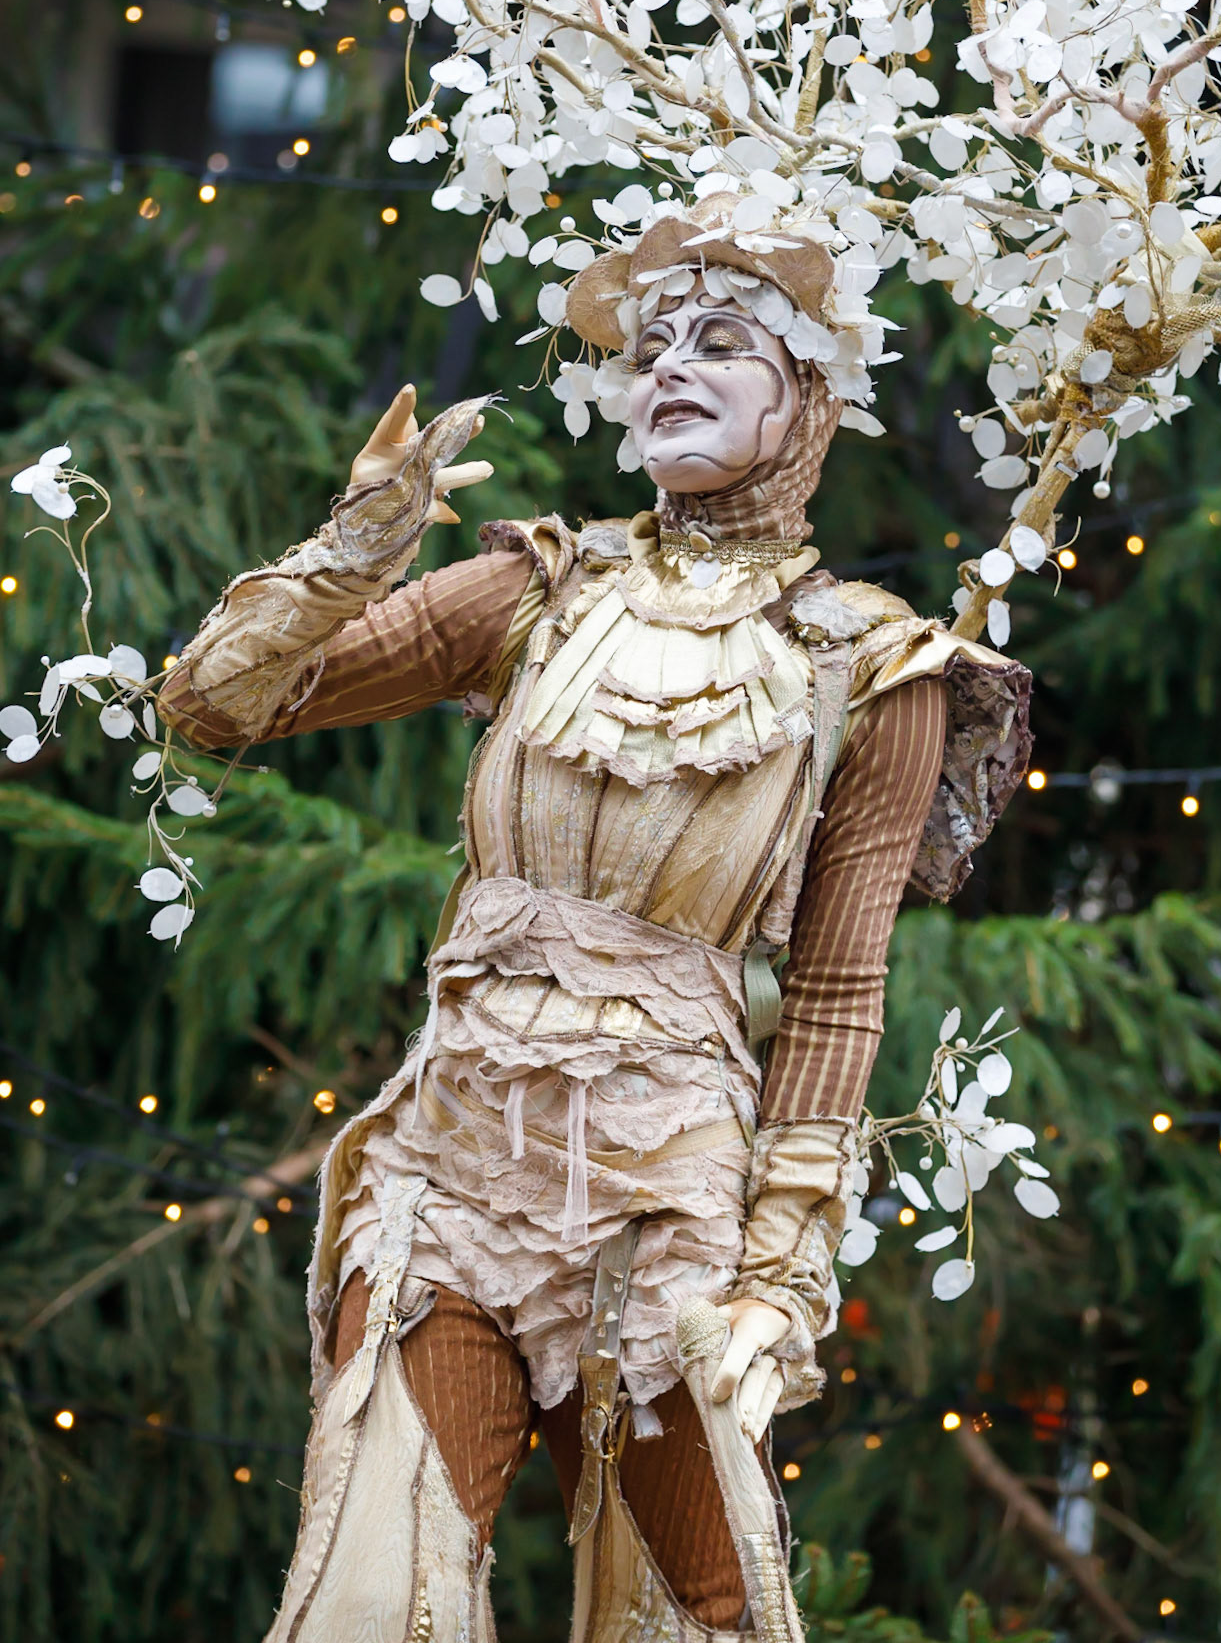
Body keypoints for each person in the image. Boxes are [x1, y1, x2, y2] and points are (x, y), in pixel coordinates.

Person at [160, 196, 1031, 1642]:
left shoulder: (873, 664)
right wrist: (357, 547)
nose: (671, 366)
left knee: (699, 1612)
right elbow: (215, 706)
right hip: (450, 1180)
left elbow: (833, 996)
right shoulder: (534, 591)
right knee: (377, 1595)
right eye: (654, 346)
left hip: (664, 1207)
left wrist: (777, 1272)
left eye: (724, 342)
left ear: (810, 398)